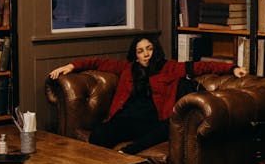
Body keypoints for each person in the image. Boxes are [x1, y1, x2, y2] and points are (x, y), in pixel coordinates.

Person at [49, 35, 247, 153]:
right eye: (141, 51)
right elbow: (98, 62)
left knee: (165, 129)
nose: (146, 54)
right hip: (126, 119)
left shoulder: (170, 67)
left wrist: (233, 69)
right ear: (135, 55)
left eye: (149, 49)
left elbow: (202, 66)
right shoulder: (127, 69)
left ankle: (130, 152)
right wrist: (72, 65)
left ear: (155, 50)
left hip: (152, 121)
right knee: (98, 136)